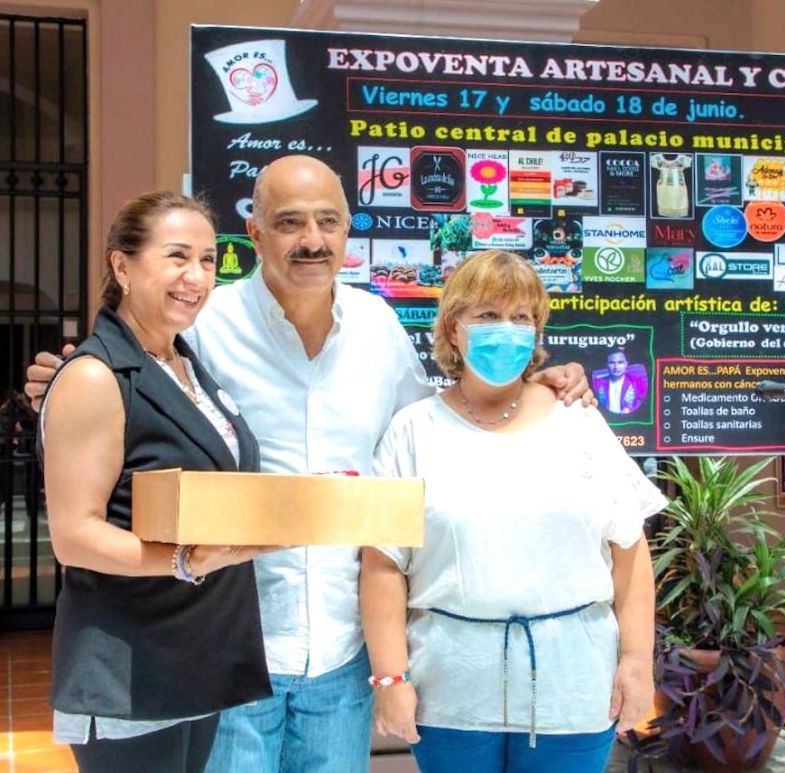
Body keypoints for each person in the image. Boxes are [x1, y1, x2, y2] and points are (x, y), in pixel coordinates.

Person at [27, 156, 593, 773]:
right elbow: (126, 384)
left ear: (348, 231)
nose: (312, 240)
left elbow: (438, 426)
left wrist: (530, 386)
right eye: (290, 222)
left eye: (328, 221)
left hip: (342, 652)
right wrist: (67, 379)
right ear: (256, 233)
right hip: (231, 647)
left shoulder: (376, 326)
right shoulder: (202, 322)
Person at [360, 249, 667, 773]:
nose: (506, 329)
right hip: (451, 686)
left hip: (574, 684)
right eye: (488, 315)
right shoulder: (412, 431)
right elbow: (383, 565)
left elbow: (629, 554)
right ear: (453, 329)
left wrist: (637, 662)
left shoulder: (579, 421)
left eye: (521, 317)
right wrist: (391, 679)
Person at [38, 192, 272, 773]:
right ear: (122, 266)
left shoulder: (186, 366)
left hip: (197, 657)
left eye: (208, 260)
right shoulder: (96, 377)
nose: (196, 276)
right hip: (130, 666)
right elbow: (75, 537)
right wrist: (187, 559)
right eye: (176, 256)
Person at [593, 348, 648, 415]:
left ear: (626, 364)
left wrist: (630, 410)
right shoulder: (597, 383)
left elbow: (643, 403)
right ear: (607, 365)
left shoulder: (637, 382)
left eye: (620, 362)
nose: (616, 367)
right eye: (612, 363)